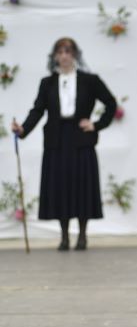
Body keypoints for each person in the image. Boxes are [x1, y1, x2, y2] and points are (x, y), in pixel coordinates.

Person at [11, 38, 117, 251]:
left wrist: (96, 125)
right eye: (60, 52)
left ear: (75, 55)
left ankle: (83, 235)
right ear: (55, 57)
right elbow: (38, 110)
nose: (64, 56)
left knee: (82, 186)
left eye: (68, 52)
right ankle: (64, 236)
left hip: (81, 139)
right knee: (60, 187)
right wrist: (23, 129)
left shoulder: (90, 80)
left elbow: (111, 103)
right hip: (57, 141)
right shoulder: (47, 83)